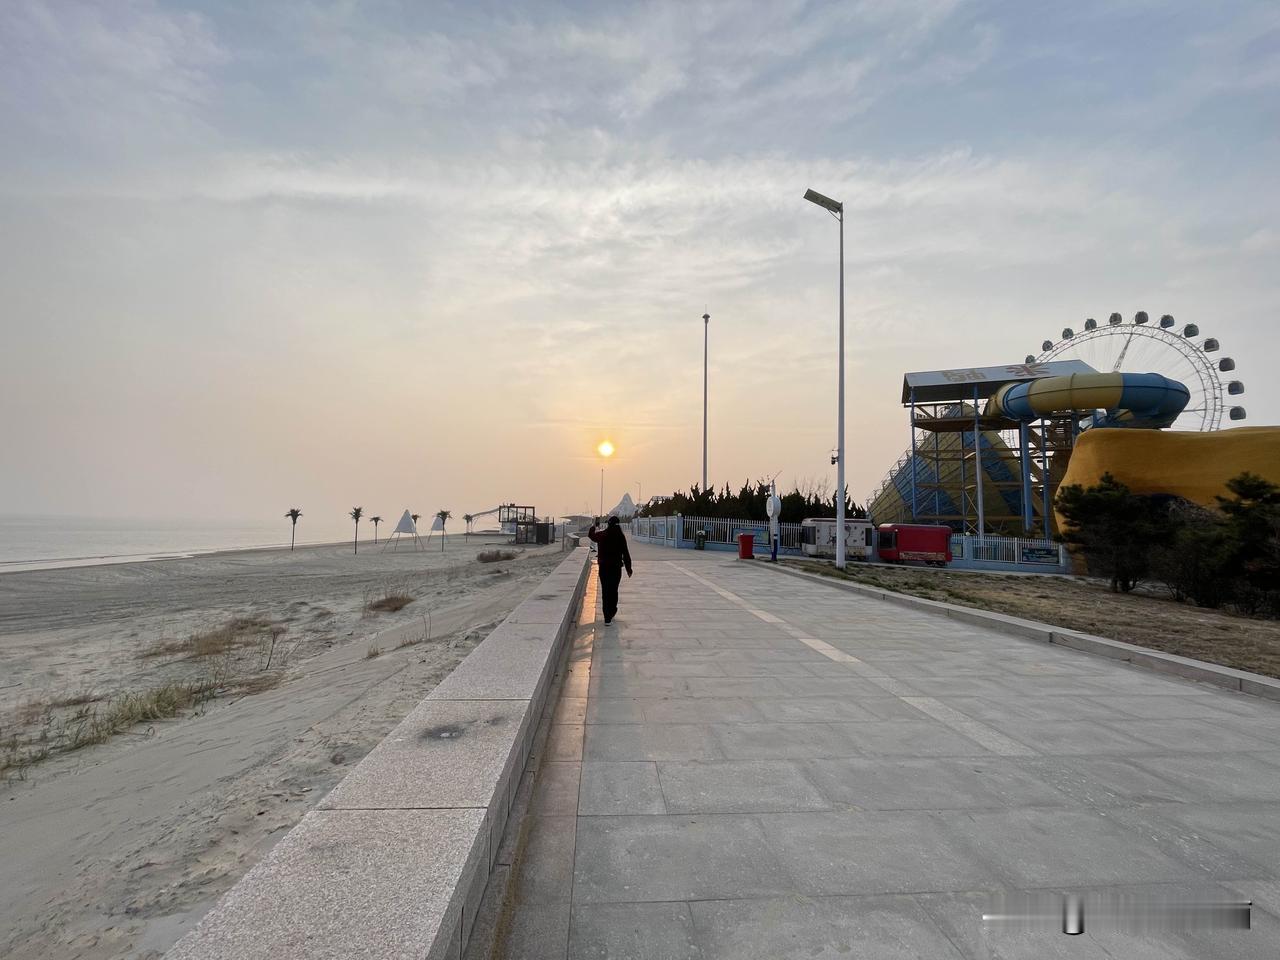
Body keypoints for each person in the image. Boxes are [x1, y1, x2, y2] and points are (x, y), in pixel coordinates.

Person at [587, 515, 632, 624]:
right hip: (616, 568)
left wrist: (594, 526)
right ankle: (612, 611)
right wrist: (628, 568)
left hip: (604, 568)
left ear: (608, 524)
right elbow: (625, 553)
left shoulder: (602, 535)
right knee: (613, 590)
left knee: (605, 591)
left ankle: (607, 617)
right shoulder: (620, 536)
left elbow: (591, 535)